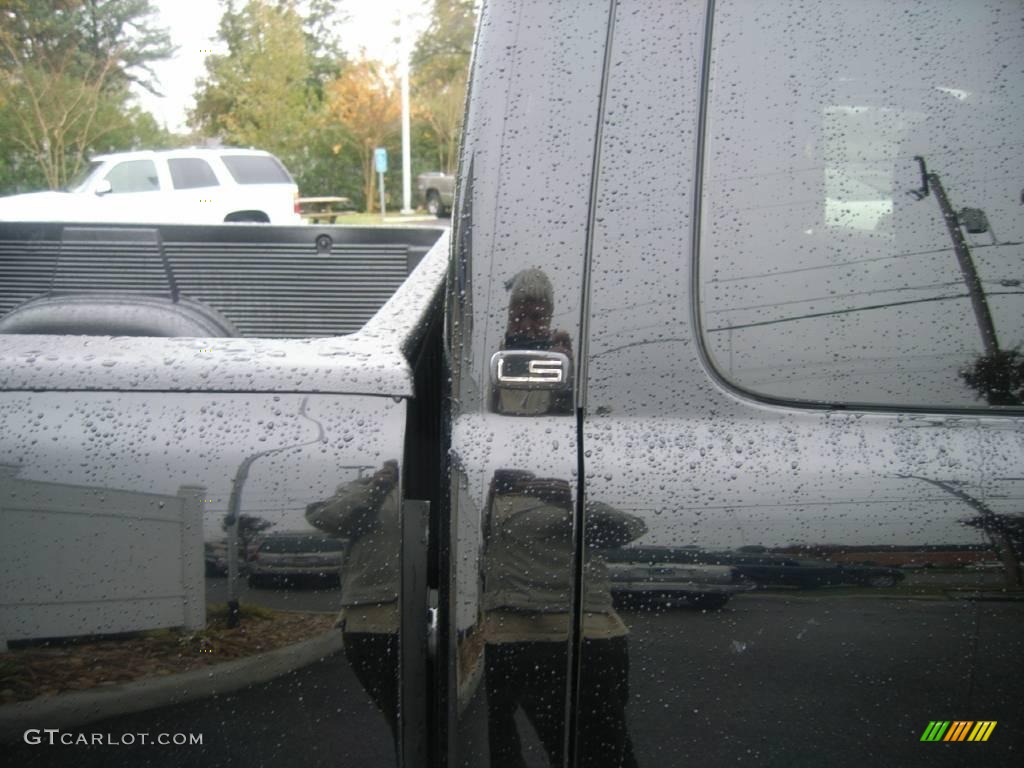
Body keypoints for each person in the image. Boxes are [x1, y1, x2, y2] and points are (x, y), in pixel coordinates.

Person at [482, 469, 646, 768]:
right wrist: (573, 503)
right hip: (588, 636)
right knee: (603, 747)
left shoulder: (486, 519)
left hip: (507, 638)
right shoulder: (554, 512)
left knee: (533, 739)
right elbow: (631, 528)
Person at [305, 460, 401, 749]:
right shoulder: (365, 488)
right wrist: (376, 487)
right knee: (399, 712)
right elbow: (325, 518)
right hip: (370, 615)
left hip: (436, 614)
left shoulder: (446, 489)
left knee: (431, 709)